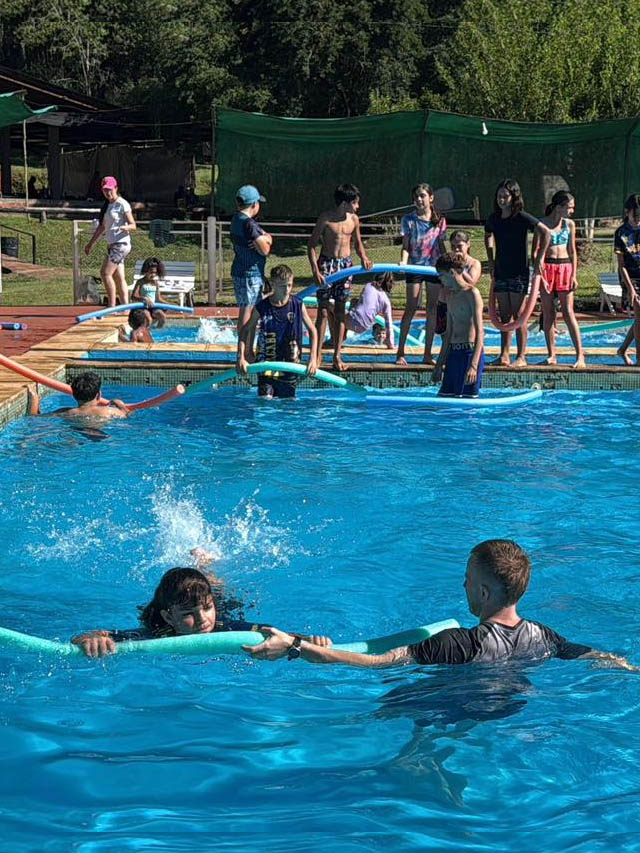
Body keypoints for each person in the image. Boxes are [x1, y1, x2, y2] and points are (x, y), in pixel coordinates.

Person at [245, 539, 637, 670]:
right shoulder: (544, 637)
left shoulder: (458, 643)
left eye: (469, 578)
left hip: (451, 705)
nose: (463, 584)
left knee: (394, 704)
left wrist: (295, 646)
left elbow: (375, 662)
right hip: (511, 709)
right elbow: (594, 656)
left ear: (484, 593)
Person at [72, 566, 332, 658]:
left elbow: (272, 633)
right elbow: (96, 635)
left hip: (225, 609)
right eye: (188, 613)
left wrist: (307, 640)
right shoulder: (160, 631)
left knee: (220, 592)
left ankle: (206, 566)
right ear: (169, 617)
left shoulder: (222, 625)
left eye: (206, 609)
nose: (202, 620)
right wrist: (92, 640)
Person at [484, 179, 550, 367]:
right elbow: (488, 235)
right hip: (501, 270)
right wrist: (490, 259)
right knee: (504, 316)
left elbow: (546, 233)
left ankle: (521, 356)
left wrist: (539, 258)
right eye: (499, 196)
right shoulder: (494, 218)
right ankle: (504, 355)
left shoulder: (521, 217)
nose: (501, 200)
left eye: (505, 196)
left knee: (519, 314)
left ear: (514, 197)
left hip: (519, 272)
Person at [307, 183, 372, 372]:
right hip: (326, 265)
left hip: (345, 267)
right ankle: (317, 354)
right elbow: (311, 245)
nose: (358, 206)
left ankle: (337, 355)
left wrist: (364, 257)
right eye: (355, 203)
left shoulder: (354, 220)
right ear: (345, 203)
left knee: (341, 311)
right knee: (323, 311)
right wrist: (315, 271)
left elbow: (358, 244)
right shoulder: (326, 219)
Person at [237, 264, 318, 399]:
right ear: (273, 284)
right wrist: (241, 357)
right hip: (266, 365)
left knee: (288, 404)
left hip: (290, 365)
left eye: (289, 285)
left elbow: (313, 331)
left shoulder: (298, 305)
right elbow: (245, 330)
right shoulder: (262, 307)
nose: (287, 290)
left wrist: (313, 358)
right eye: (282, 286)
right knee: (265, 401)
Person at [531, 191, 585, 369]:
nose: (572, 211)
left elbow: (572, 251)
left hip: (565, 267)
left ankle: (580, 355)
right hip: (546, 268)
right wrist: (539, 274)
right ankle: (551, 355)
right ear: (559, 207)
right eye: (570, 207)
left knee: (568, 312)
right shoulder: (541, 224)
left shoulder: (569, 225)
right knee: (548, 313)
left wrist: (574, 275)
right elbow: (534, 253)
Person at [396, 183, 447, 366]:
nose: (419, 199)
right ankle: (400, 353)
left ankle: (427, 354)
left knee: (432, 309)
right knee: (411, 308)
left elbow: (441, 245)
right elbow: (406, 246)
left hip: (433, 269)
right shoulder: (408, 219)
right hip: (415, 268)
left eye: (423, 195)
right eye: (416, 196)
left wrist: (446, 265)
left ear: (431, 198)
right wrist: (403, 262)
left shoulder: (439, 220)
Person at [432, 253, 484, 398]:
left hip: (469, 354)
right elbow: (448, 333)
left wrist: (473, 365)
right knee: (444, 400)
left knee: (468, 403)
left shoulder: (472, 293)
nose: (440, 279)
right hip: (453, 353)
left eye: (442, 275)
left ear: (451, 272)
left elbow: (480, 332)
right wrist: (439, 364)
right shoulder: (449, 296)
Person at [230, 184, 273, 353]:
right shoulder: (249, 224)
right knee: (249, 312)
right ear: (254, 204)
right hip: (251, 273)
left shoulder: (236, 219)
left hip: (239, 271)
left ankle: (243, 350)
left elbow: (264, 238)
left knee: (245, 309)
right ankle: (246, 352)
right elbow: (265, 249)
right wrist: (267, 238)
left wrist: (265, 237)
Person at [84, 176, 136, 308]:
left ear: (116, 188)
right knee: (118, 277)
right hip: (112, 244)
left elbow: (133, 225)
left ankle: (111, 306)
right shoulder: (107, 206)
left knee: (105, 273)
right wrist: (90, 244)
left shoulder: (122, 204)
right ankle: (126, 307)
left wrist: (125, 227)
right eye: (105, 190)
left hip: (121, 244)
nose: (108, 192)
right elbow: (102, 227)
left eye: (110, 189)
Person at [27, 371, 128, 420]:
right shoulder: (109, 411)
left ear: (73, 395)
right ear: (98, 395)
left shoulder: (65, 412)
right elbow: (126, 414)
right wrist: (120, 405)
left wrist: (34, 400)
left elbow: (34, 419)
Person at [614, 193, 640, 366]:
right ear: (627, 212)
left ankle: (622, 349)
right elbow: (621, 265)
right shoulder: (621, 233)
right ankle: (639, 358)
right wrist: (630, 288)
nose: (638, 220)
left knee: (639, 318)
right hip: (630, 278)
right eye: (635, 216)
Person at [342, 272, 395, 351]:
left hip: (352, 320)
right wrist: (390, 343)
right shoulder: (386, 301)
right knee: (354, 301)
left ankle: (337, 337)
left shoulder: (368, 286)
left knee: (330, 306)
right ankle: (343, 334)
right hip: (364, 327)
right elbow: (389, 323)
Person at [130, 256, 167, 328]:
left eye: (155, 273)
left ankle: (157, 332)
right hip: (142, 307)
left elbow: (158, 298)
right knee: (148, 319)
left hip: (153, 307)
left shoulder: (155, 283)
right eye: (151, 272)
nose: (153, 275)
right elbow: (133, 296)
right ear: (146, 271)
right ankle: (145, 332)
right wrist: (144, 298)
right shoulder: (140, 282)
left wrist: (170, 304)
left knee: (162, 316)